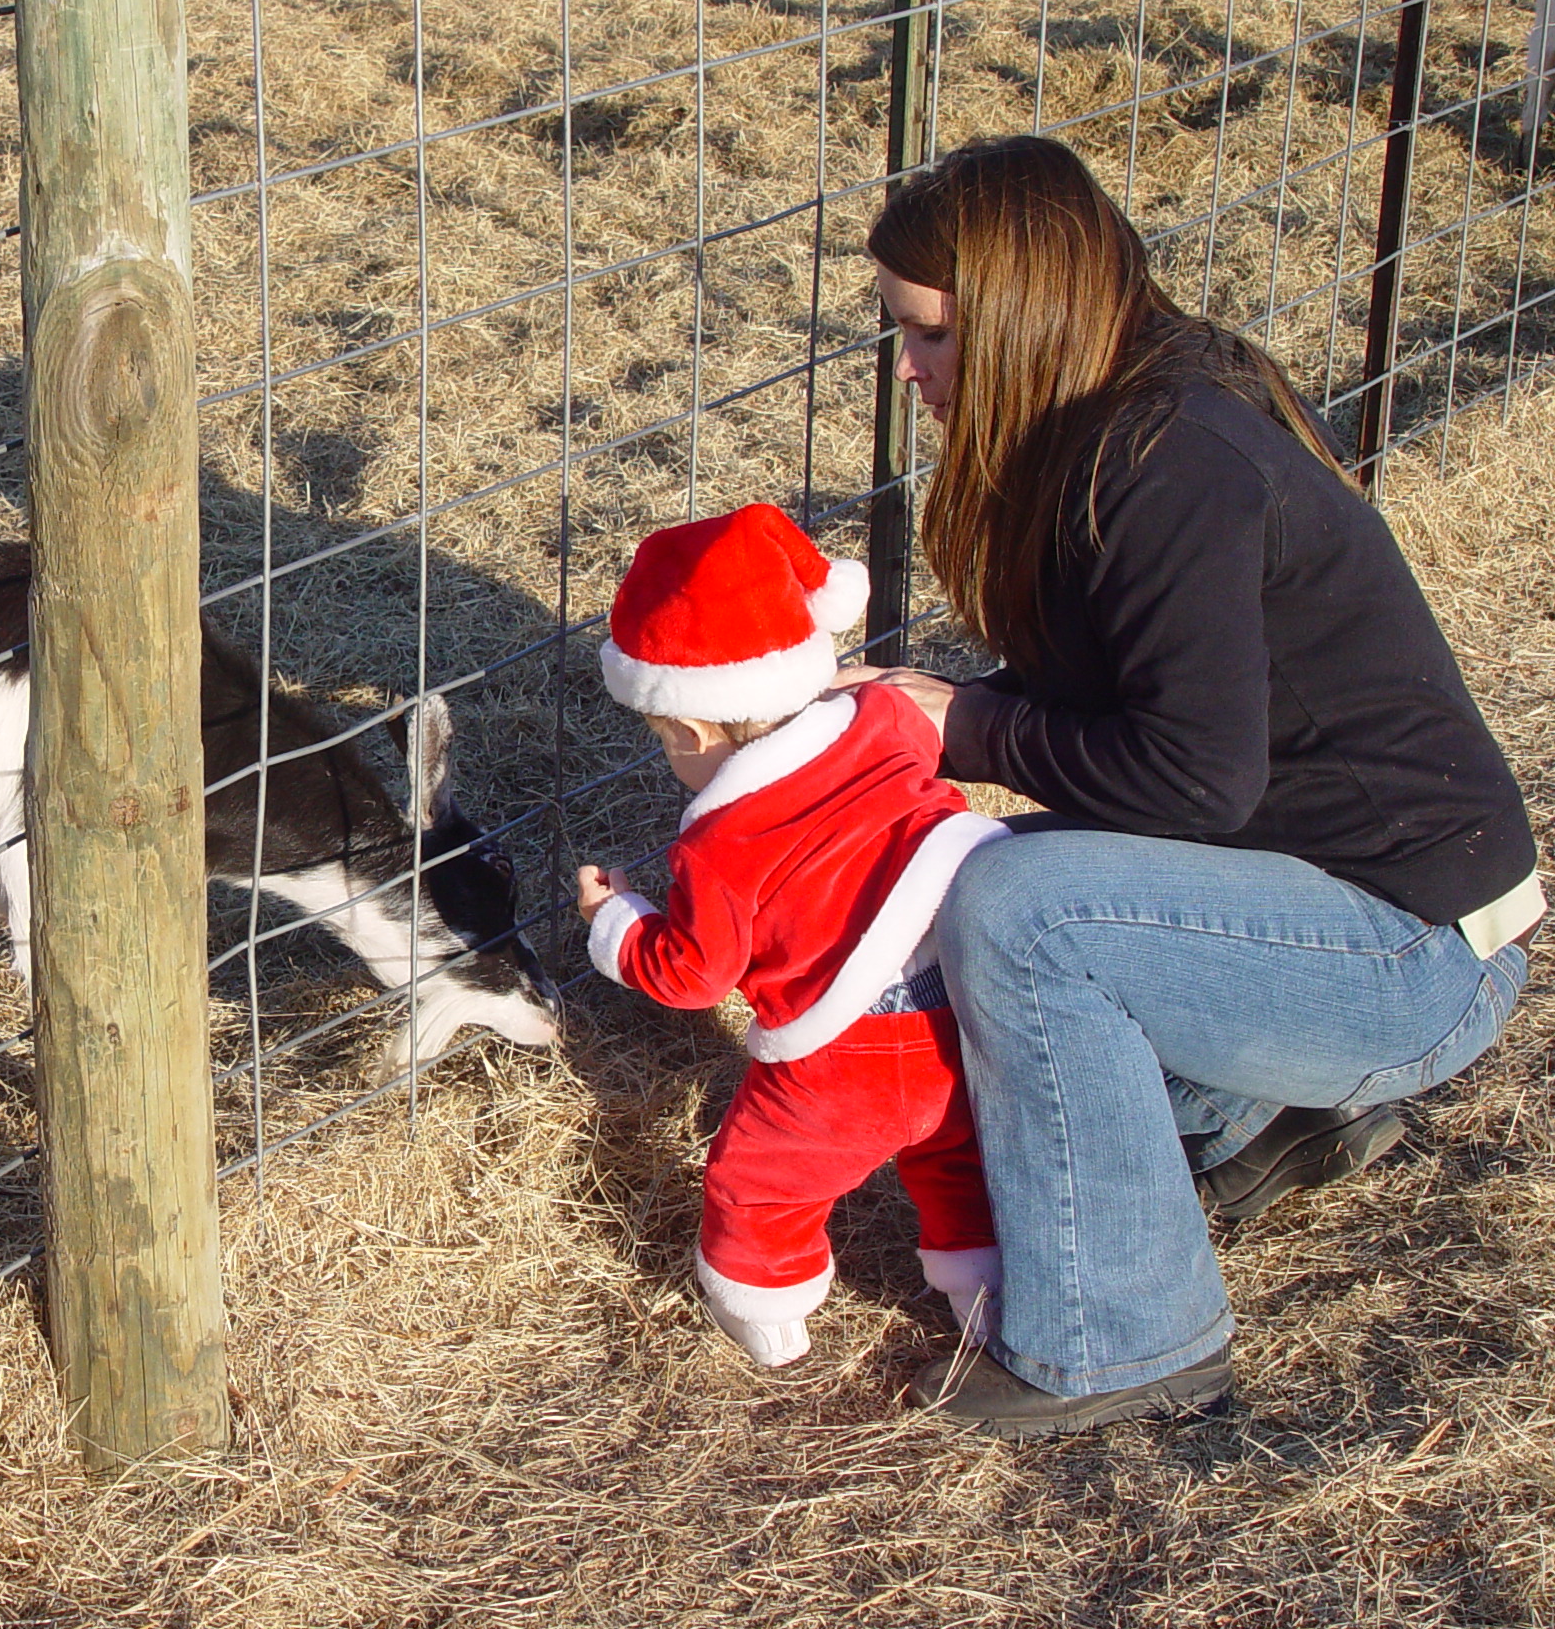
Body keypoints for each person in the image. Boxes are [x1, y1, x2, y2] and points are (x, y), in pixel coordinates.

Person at [838, 134, 1542, 1437]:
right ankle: (1253, 1125)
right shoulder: (1138, 408)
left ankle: (1124, 1339)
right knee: (1021, 1077)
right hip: (1350, 898)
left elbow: (1194, 778)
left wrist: (972, 726)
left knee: (1018, 910)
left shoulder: (1167, 463)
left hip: (1415, 948)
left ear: (1019, 320)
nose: (911, 368)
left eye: (927, 335)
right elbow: (1149, 715)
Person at [575, 502, 1009, 1368]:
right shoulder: (887, 723)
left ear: (693, 728)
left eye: (667, 741)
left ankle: (768, 1312)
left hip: (833, 1062)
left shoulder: (721, 845)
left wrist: (618, 921)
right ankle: (981, 1293)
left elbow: (695, 977)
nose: (673, 759)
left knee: (762, 1184)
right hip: (952, 1021)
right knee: (958, 1159)